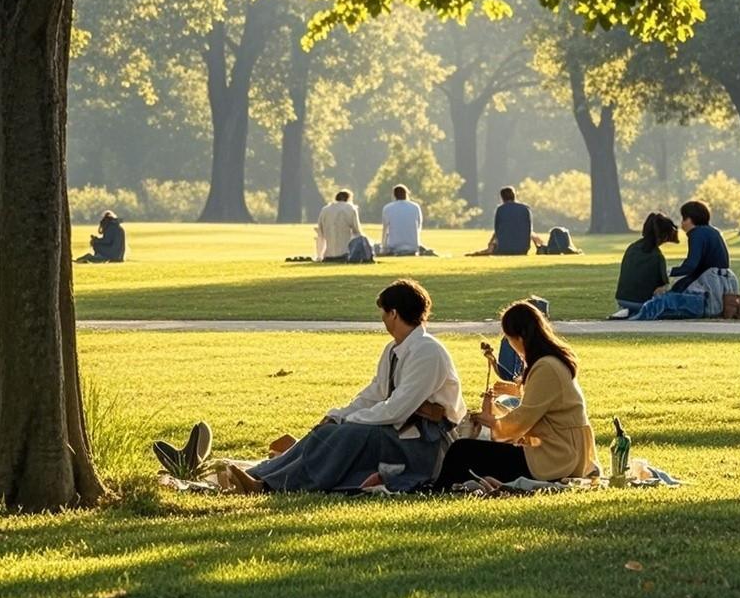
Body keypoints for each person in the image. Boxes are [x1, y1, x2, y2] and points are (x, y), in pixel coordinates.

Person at [222, 279, 465, 494]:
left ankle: (268, 485)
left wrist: (351, 421)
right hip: (397, 431)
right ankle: (260, 474)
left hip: (421, 443)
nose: (382, 320)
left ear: (393, 313)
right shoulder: (394, 349)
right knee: (327, 430)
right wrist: (339, 415)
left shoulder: (428, 352)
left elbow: (398, 408)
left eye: (383, 313)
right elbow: (375, 394)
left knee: (344, 435)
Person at [434, 300, 597, 490]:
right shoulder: (550, 362)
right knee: (470, 453)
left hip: (556, 457)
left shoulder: (546, 367)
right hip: (562, 451)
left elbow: (523, 419)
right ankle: (453, 486)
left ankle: (438, 490)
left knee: (462, 450)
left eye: (509, 339)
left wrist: (491, 421)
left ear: (519, 338)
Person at [610, 212, 679, 318]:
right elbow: (662, 286)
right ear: (664, 236)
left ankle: (628, 311)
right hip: (641, 302)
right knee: (671, 297)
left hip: (622, 299)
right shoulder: (657, 256)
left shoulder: (632, 248)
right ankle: (640, 312)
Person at [669, 200, 729, 292]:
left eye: (683, 219)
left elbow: (690, 266)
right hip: (723, 280)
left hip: (710, 282)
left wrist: (668, 272)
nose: (682, 224)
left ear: (689, 219)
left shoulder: (696, 234)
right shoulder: (713, 231)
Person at [466, 185, 533, 256]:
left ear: (502, 198)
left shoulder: (500, 209)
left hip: (504, 249)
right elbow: (529, 229)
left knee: (492, 249)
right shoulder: (525, 209)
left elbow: (497, 231)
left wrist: (491, 243)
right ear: (514, 196)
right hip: (522, 249)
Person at [316, 189, 362, 261]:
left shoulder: (324, 210)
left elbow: (320, 235)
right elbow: (357, 232)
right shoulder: (351, 208)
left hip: (328, 256)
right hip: (345, 255)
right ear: (348, 199)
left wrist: (319, 256)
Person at [380, 184, 422, 256]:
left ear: (394, 195)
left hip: (394, 247)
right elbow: (418, 227)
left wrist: (383, 248)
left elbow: (385, 230)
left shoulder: (387, 208)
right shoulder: (415, 207)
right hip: (413, 247)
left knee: (375, 246)